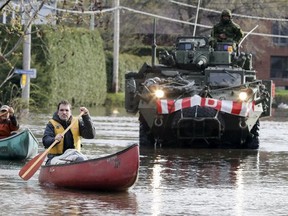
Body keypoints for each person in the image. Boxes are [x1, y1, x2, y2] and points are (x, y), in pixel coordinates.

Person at [42, 100, 96, 165]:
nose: (64, 112)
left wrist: (86, 117)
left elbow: (90, 135)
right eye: (61, 110)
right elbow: (45, 141)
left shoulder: (77, 122)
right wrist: (54, 139)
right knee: (64, 163)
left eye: (67, 110)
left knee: (80, 159)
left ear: (70, 112)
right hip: (56, 157)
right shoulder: (51, 124)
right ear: (58, 112)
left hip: (73, 155)